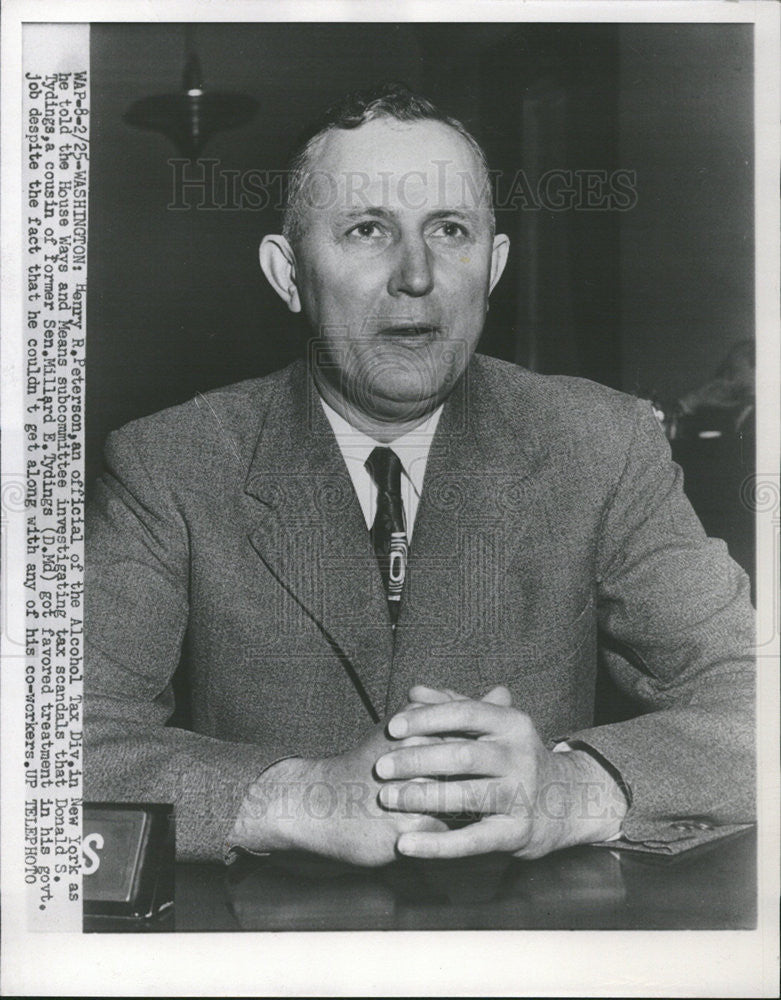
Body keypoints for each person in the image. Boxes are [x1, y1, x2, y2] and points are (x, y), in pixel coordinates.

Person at [85, 83, 755, 865]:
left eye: (449, 230)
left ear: (493, 265)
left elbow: (751, 695)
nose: (415, 274)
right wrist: (293, 796)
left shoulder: (600, 446)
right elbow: (52, 737)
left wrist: (574, 788)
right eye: (367, 229)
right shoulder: (169, 464)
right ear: (288, 274)